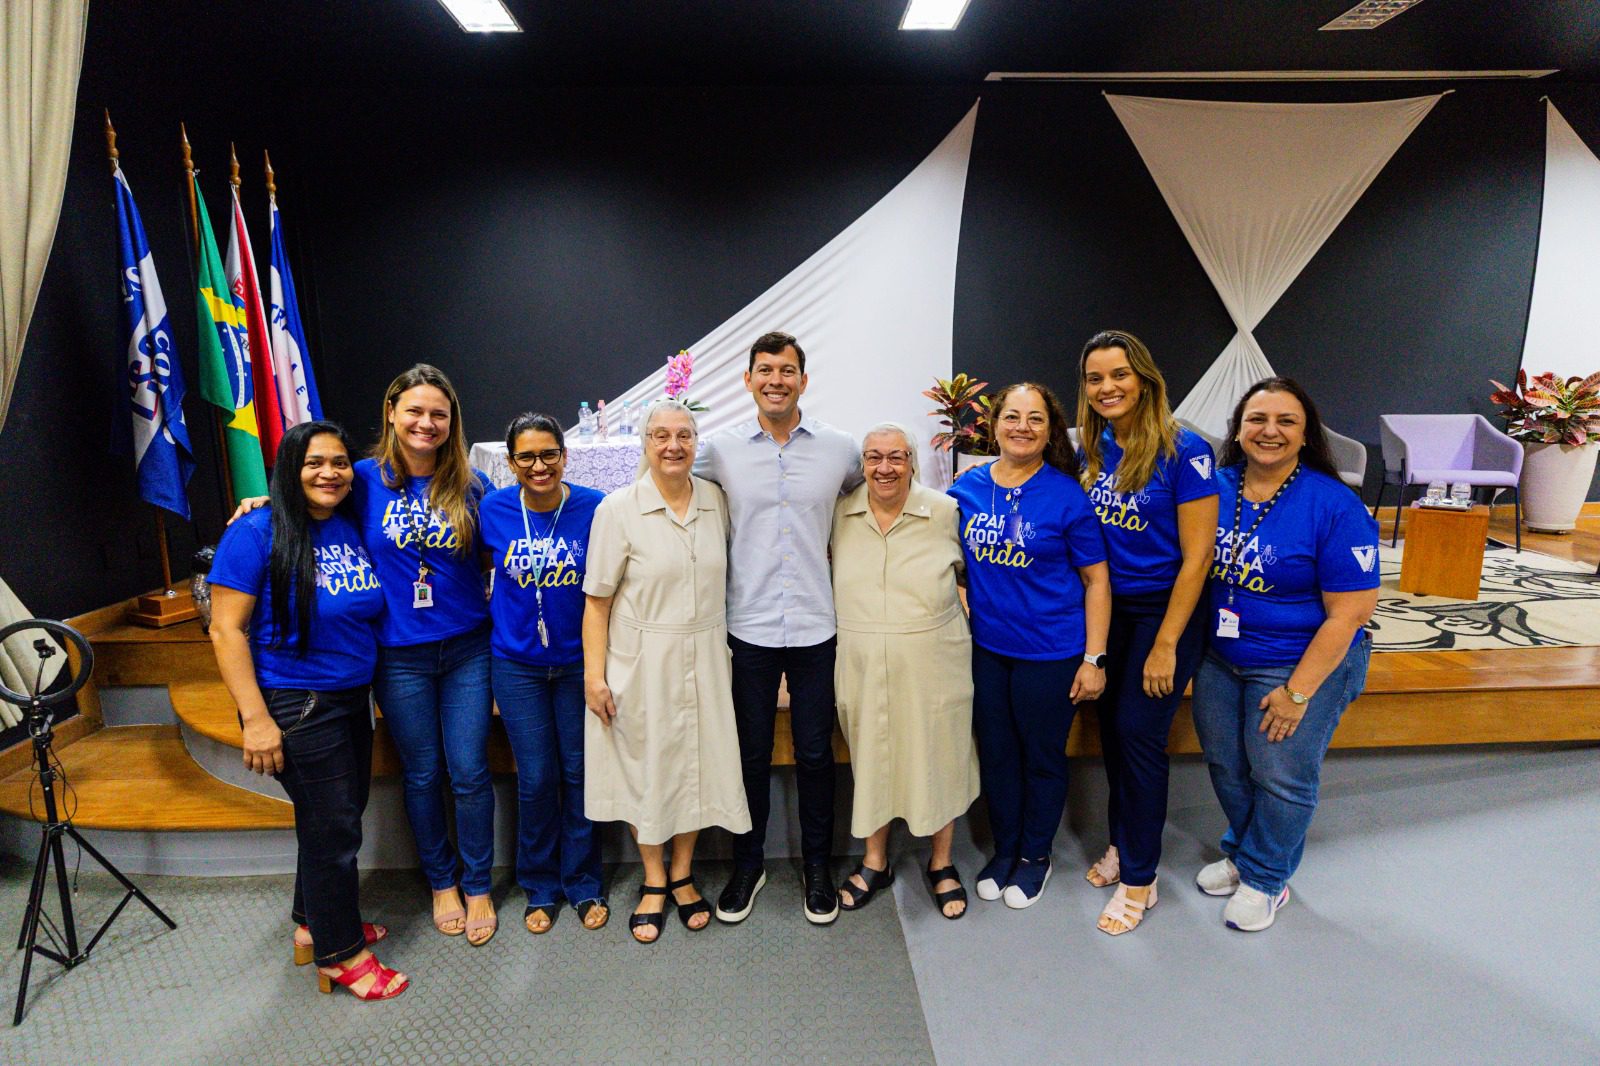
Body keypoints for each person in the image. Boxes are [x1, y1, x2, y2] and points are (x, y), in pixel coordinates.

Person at [232, 365, 496, 943]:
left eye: (438, 414)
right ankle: (441, 882)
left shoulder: (471, 485)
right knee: (423, 774)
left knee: (471, 771)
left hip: (467, 650)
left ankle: (477, 883)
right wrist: (265, 500)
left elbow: (502, 544)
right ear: (392, 413)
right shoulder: (359, 480)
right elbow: (307, 504)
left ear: (452, 424)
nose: (426, 423)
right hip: (397, 656)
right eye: (415, 411)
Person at [208, 421, 406, 1001]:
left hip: (349, 696)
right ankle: (341, 953)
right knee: (334, 830)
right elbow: (225, 630)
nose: (330, 473)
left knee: (335, 818)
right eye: (314, 463)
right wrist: (256, 719)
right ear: (290, 467)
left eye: (340, 463)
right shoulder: (255, 532)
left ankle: (311, 920)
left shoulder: (344, 523)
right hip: (296, 702)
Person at [1190, 377, 1379, 932]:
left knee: (1280, 774)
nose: (1269, 431)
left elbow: (1349, 614)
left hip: (1300, 661)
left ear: (1305, 434)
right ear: (1238, 429)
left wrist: (1299, 692)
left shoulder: (1334, 504)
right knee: (1227, 765)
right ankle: (1245, 854)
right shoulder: (1214, 488)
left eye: (1285, 421)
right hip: (1221, 657)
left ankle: (1267, 879)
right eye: (1257, 419)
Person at [694, 331, 861, 926]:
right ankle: (749, 864)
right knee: (750, 753)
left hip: (818, 623)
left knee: (817, 753)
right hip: (750, 624)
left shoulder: (841, 449)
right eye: (765, 370)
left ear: (803, 381)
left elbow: (868, 500)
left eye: (787, 371)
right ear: (748, 380)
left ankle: (818, 866)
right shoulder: (720, 450)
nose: (776, 380)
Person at [582, 400, 751, 944]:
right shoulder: (619, 509)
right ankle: (654, 878)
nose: (673, 445)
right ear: (645, 444)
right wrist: (594, 675)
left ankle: (683, 871)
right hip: (641, 659)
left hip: (704, 652)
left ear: (696, 441)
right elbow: (597, 603)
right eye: (661, 435)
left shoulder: (715, 501)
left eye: (683, 435)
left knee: (694, 765)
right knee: (646, 767)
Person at [1075, 330, 1219, 936]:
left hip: (1168, 613)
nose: (1107, 387)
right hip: (1114, 610)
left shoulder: (1185, 450)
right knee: (1113, 732)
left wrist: (1165, 643)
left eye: (1119, 375)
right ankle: (1121, 841)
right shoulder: (1097, 444)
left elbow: (1199, 555)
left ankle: (1140, 877)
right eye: (1095, 378)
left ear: (1145, 379)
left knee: (1138, 735)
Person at [948, 382, 1111, 909]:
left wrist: (1093, 658)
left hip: (1051, 652)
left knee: (1041, 757)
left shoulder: (1066, 495)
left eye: (1035, 419)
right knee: (996, 755)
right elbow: (943, 557)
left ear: (1049, 431)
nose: (1022, 427)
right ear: (994, 425)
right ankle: (1005, 849)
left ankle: (1034, 857)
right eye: (1012, 417)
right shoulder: (966, 488)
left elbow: (1097, 582)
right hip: (989, 651)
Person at [831, 423, 980, 920]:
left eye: (896, 457)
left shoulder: (945, 512)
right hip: (862, 660)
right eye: (873, 457)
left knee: (941, 755)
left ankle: (941, 863)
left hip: (935, 659)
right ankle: (875, 861)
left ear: (912, 461)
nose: (885, 468)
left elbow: (983, 577)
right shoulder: (840, 514)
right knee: (870, 758)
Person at [480, 413, 608, 936]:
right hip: (518, 666)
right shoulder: (493, 508)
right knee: (535, 779)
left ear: (564, 455)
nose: (539, 466)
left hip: (579, 662)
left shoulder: (594, 507)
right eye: (527, 457)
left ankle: (582, 882)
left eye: (549, 454)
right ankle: (540, 884)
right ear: (510, 463)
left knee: (580, 775)